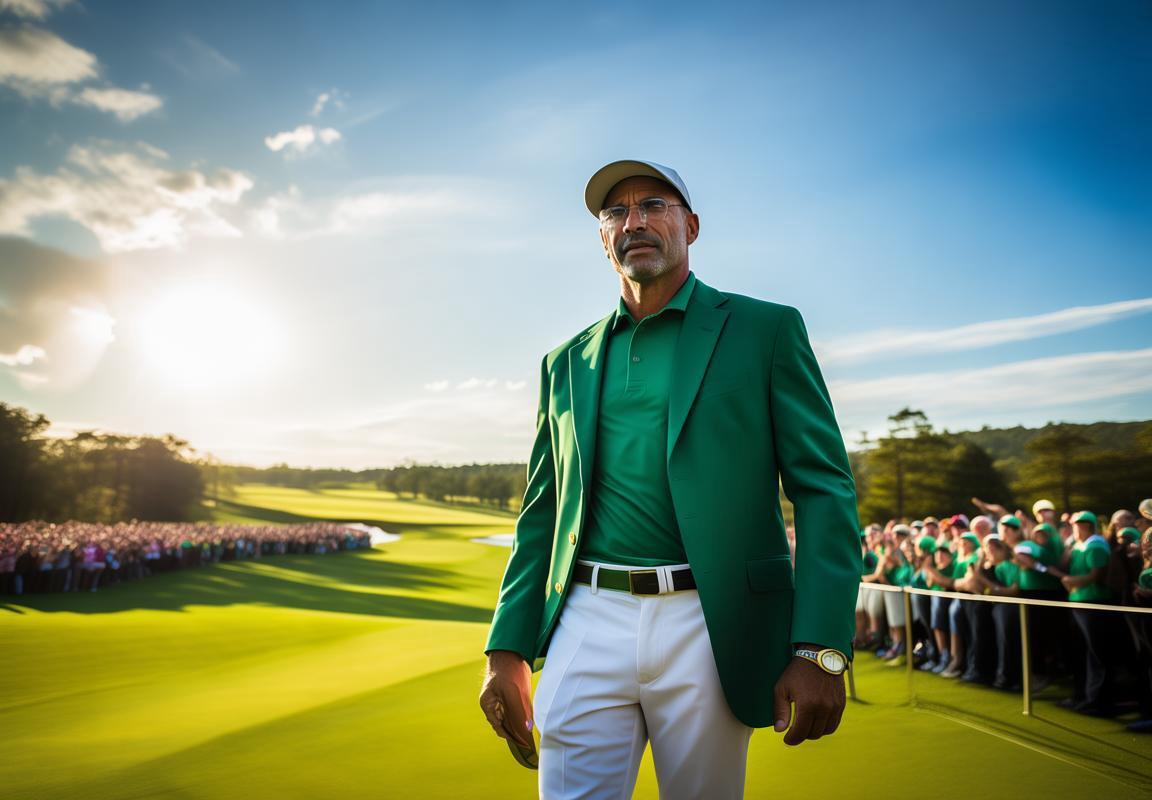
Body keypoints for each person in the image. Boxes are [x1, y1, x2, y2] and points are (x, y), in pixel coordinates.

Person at [478, 159, 861, 799]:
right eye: (615, 212)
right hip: (586, 618)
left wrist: (820, 646)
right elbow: (541, 511)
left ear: (691, 225)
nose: (634, 222)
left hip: (711, 620)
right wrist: (505, 648)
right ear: (603, 237)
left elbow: (825, 489)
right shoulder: (564, 361)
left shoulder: (765, 330)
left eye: (653, 205)